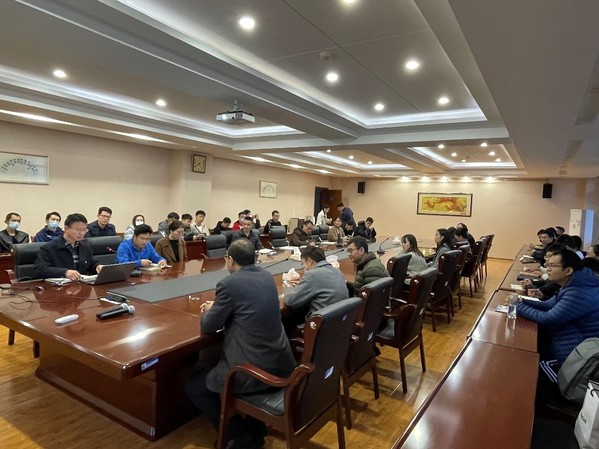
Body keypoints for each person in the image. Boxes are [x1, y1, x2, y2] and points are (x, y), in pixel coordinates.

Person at [185, 239, 295, 449]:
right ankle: (256, 427)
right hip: (280, 361)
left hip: (252, 369)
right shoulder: (266, 276)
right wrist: (220, 305)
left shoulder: (229, 283)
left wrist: (211, 310)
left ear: (230, 260)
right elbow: (245, 304)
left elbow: (210, 326)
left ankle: (239, 434)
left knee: (195, 387)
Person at [516, 248, 599, 365]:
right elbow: (547, 305)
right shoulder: (573, 285)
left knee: (522, 358)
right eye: (548, 265)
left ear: (568, 270)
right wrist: (521, 301)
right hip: (561, 342)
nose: (547, 269)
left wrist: (517, 306)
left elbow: (547, 318)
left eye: (552, 266)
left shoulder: (578, 292)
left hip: (572, 358)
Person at [282, 246, 349, 335]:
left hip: (319, 328)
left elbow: (290, 301)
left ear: (309, 261)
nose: (303, 267)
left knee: (284, 320)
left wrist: (288, 287)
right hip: (338, 324)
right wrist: (302, 286)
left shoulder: (312, 275)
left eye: (303, 263)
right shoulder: (337, 271)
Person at [34, 213, 103, 281]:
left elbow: (90, 262)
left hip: (81, 284)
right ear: (66, 228)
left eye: (84, 229)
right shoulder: (49, 248)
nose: (82, 233)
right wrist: (65, 272)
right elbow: (40, 270)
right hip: (60, 286)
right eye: (78, 230)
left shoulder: (85, 245)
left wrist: (97, 266)